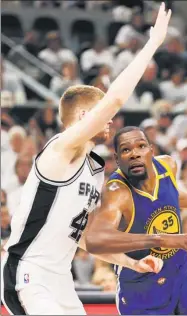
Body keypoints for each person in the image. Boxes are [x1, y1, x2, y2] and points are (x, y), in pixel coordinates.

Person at [1, 4, 172, 315]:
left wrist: (132, 262)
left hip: (61, 280)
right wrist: (152, 44)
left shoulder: (94, 169)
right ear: (83, 116)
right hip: (28, 274)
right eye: (102, 113)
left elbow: (86, 240)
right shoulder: (59, 149)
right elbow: (116, 99)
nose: (110, 121)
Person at [85, 126, 187, 315]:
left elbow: (170, 195)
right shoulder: (117, 193)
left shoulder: (167, 166)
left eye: (141, 146)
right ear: (118, 159)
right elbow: (95, 240)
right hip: (143, 288)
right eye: (126, 150)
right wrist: (160, 239)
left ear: (151, 151)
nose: (135, 154)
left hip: (184, 271)